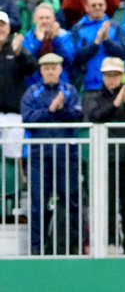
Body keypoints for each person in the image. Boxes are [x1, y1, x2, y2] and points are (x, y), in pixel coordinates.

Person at [21, 52, 84, 255]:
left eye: (54, 68)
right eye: (46, 68)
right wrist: (50, 110)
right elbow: (27, 119)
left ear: (60, 70)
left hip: (66, 155)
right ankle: (36, 246)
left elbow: (78, 116)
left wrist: (61, 108)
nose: (50, 71)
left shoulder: (69, 91)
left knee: (71, 200)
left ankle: (74, 244)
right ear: (41, 71)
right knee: (38, 202)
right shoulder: (32, 92)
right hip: (40, 156)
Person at [85, 56, 125, 254]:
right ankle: (111, 240)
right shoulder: (94, 97)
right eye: (108, 75)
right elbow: (95, 117)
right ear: (102, 76)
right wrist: (116, 104)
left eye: (115, 75)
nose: (112, 79)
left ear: (122, 76)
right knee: (107, 201)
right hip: (106, 157)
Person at [70, 0, 125, 110]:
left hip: (113, 88)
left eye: (100, 5)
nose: (97, 8)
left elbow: (123, 53)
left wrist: (106, 40)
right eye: (93, 5)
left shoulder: (115, 27)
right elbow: (76, 56)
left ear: (105, 6)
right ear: (87, 7)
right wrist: (95, 43)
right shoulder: (78, 28)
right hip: (88, 87)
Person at [0, 12, 35, 162]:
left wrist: (19, 53)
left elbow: (32, 68)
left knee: (15, 159)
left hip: (13, 114)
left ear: (9, 28)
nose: (0, 29)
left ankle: (18, 179)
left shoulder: (16, 49)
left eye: (2, 25)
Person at [24, 3, 75, 70]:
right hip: (35, 75)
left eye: (47, 18)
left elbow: (69, 58)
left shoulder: (64, 35)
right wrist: (38, 42)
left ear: (54, 19)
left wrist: (55, 39)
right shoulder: (29, 37)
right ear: (34, 20)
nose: (44, 21)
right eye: (41, 18)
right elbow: (26, 62)